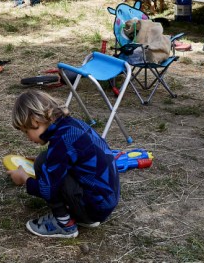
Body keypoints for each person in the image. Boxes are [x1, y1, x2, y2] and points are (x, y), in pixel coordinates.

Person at [8, 90, 120, 239]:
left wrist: (24, 179)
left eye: (26, 131)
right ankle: (84, 216)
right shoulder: (72, 126)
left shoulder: (62, 140)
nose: (28, 138)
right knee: (44, 160)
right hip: (104, 202)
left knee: (44, 166)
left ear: (36, 120)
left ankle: (64, 224)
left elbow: (47, 189)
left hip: (95, 208)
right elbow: (75, 156)